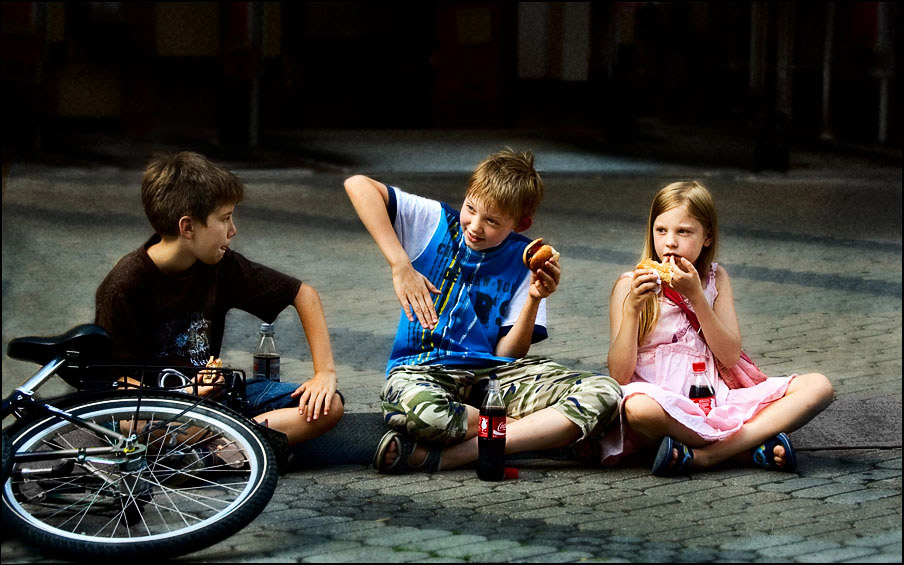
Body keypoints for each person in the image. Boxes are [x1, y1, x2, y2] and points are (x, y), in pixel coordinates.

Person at [345, 148, 622, 473]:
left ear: (521, 223)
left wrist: (533, 298)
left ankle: (457, 454)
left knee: (605, 392)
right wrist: (400, 264)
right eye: (471, 208)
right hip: (421, 371)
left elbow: (509, 353)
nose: (475, 226)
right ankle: (544, 434)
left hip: (493, 378)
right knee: (425, 413)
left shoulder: (526, 261)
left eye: (492, 221)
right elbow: (358, 184)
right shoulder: (435, 223)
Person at [95, 151, 343, 449]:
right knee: (129, 423)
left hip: (220, 401)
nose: (233, 230)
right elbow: (116, 383)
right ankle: (242, 446)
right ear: (187, 228)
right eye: (225, 218)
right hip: (157, 410)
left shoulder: (219, 266)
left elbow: (304, 294)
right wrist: (190, 392)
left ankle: (219, 451)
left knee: (329, 406)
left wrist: (324, 375)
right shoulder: (125, 284)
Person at [602, 180, 834, 475]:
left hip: (716, 399)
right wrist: (633, 309)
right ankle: (745, 450)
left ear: (707, 237)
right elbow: (619, 375)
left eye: (683, 231)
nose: (670, 242)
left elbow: (729, 356)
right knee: (637, 410)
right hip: (660, 400)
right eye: (661, 230)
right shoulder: (629, 285)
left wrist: (697, 297)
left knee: (818, 387)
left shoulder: (715, 278)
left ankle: (707, 456)